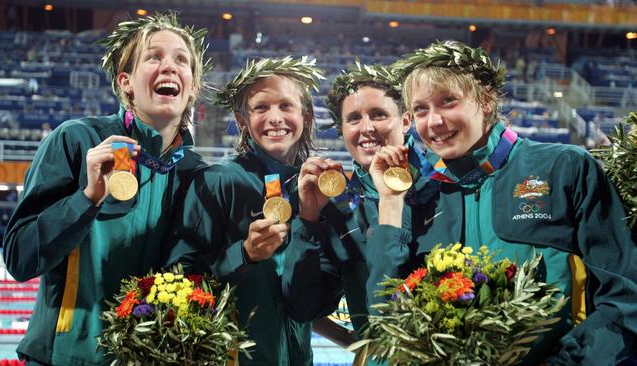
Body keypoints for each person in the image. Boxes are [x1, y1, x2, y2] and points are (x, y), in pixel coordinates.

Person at [366, 40, 637, 365]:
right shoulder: (422, 195)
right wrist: (390, 200)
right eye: (421, 109)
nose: (434, 121)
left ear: (485, 100)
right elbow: (386, 318)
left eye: (447, 101)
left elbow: (624, 296)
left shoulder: (564, 167)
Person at [2, 13, 210, 365]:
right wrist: (87, 199)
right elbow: (20, 259)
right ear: (125, 81)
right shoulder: (76, 140)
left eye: (181, 60)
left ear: (191, 85)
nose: (170, 67)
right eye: (154, 56)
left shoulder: (196, 174)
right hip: (64, 356)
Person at [166, 56, 324, 366]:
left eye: (286, 106)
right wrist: (244, 254)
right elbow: (179, 277)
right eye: (261, 108)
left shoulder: (309, 189)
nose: (275, 117)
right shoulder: (217, 181)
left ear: (305, 116)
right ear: (242, 122)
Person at [281, 62, 436, 359]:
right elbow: (303, 307)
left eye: (378, 114)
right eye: (354, 119)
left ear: (405, 121)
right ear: (342, 130)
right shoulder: (340, 207)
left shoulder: (442, 190)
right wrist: (308, 220)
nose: (366, 128)